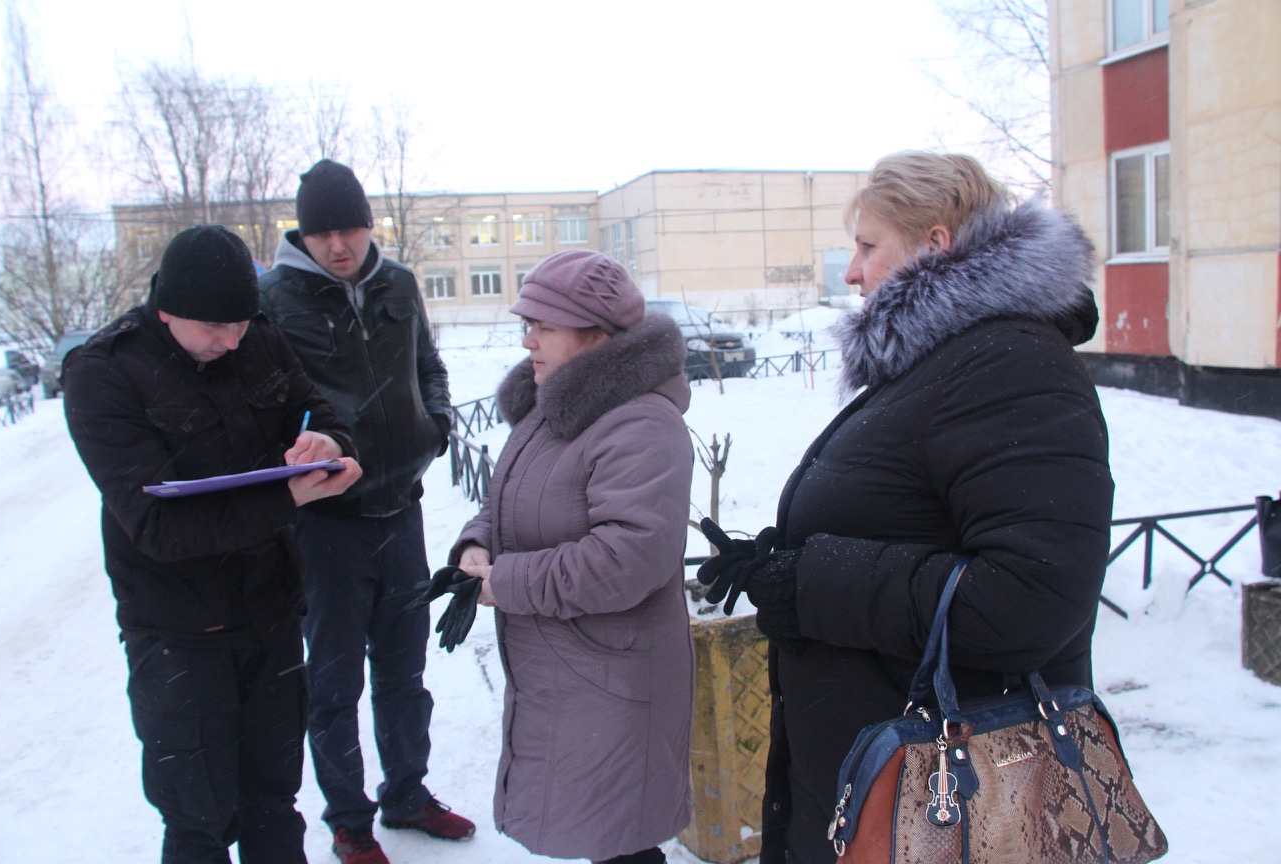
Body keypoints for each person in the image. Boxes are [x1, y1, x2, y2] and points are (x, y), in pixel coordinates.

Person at [697, 151, 1115, 864]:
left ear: (935, 243)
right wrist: (789, 554)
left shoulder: (1013, 364)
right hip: (888, 776)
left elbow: (1032, 598)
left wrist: (812, 581)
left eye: (866, 246)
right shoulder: (943, 360)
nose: (852, 272)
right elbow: (908, 514)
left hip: (956, 799)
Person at [63, 224, 364, 864]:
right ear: (167, 309)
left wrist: (330, 446)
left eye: (242, 323)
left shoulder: (258, 338)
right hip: (178, 634)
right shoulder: (103, 374)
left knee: (274, 804)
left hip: (271, 617)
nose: (232, 340)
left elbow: (325, 415)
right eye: (214, 328)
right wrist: (287, 497)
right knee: (199, 820)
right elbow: (159, 528)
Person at [447, 249, 695, 864]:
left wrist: (503, 582)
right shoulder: (550, 404)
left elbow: (627, 558)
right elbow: (512, 498)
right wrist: (478, 544)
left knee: (622, 844)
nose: (528, 341)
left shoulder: (641, 424)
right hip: (568, 673)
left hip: (613, 680)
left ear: (598, 336)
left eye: (544, 327)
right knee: (604, 840)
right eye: (525, 326)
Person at [259, 159, 470, 864]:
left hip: (401, 511)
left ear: (368, 225)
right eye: (323, 232)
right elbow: (264, 407)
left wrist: (433, 426)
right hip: (327, 525)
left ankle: (407, 795)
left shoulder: (400, 284)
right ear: (304, 234)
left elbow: (429, 367)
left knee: (404, 676)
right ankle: (349, 819)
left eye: (350, 227)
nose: (339, 245)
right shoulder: (275, 299)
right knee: (334, 682)